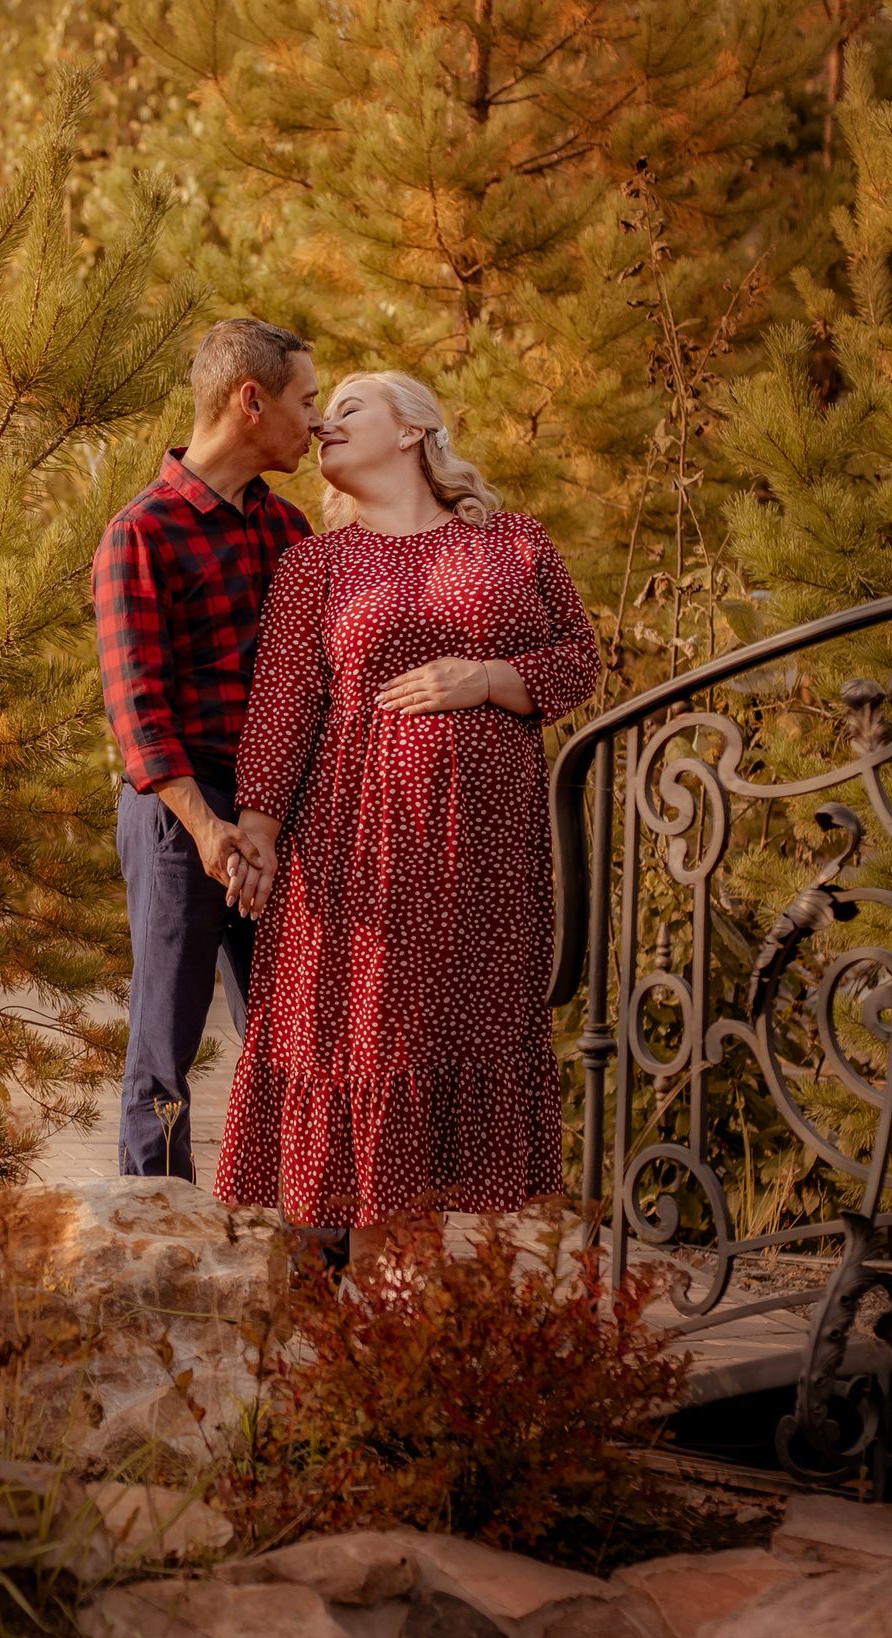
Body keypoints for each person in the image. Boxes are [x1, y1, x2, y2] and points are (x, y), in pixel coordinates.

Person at [215, 370, 600, 1239]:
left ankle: (468, 1317)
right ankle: (391, 1304)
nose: (324, 426)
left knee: (481, 1038)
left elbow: (580, 659)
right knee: (376, 1040)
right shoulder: (317, 561)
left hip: (488, 852)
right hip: (360, 842)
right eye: (325, 414)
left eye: (348, 409)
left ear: (414, 431)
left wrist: (491, 679)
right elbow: (284, 703)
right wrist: (260, 833)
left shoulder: (514, 543)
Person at [91, 319, 319, 1180]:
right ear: (249, 400)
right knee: (164, 1050)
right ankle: (153, 1249)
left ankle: (314, 1250)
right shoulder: (139, 535)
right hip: (176, 813)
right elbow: (139, 712)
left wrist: (258, 824)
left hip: (271, 816)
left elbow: (311, 682)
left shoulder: (288, 531)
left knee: (292, 1033)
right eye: (306, 401)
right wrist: (208, 828)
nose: (316, 421)